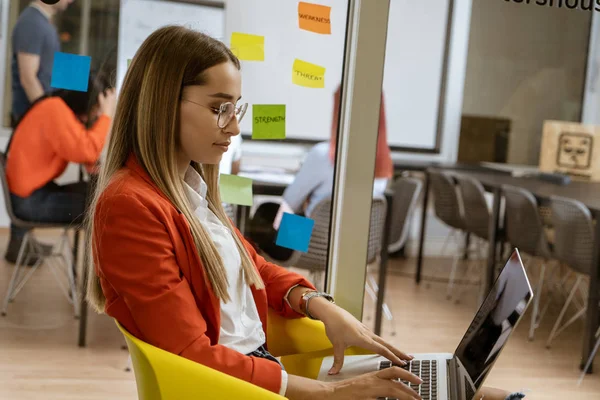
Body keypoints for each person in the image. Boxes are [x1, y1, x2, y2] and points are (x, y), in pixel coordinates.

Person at [86, 26, 519, 400]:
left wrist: (317, 304)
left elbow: (254, 268)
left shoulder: (189, 189)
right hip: (238, 387)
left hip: (260, 371)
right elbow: (192, 355)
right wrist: (336, 391)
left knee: (470, 390)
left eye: (235, 109)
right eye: (219, 108)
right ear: (162, 103)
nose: (234, 127)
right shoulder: (130, 206)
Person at [248, 85, 393, 261]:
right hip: (358, 247)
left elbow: (291, 201)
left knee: (266, 211)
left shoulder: (324, 154)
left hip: (309, 245)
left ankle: (255, 277)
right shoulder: (382, 160)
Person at [4, 78, 116, 264]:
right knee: (106, 205)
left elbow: (84, 151)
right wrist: (107, 115)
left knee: (100, 194)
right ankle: (102, 278)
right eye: (97, 106)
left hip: (34, 194)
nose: (97, 112)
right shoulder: (54, 110)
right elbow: (87, 150)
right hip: (30, 202)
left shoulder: (56, 108)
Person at [11, 0, 74, 123]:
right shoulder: (31, 22)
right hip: (33, 121)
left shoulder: (43, 22)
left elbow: (49, 71)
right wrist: (48, 118)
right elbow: (28, 78)